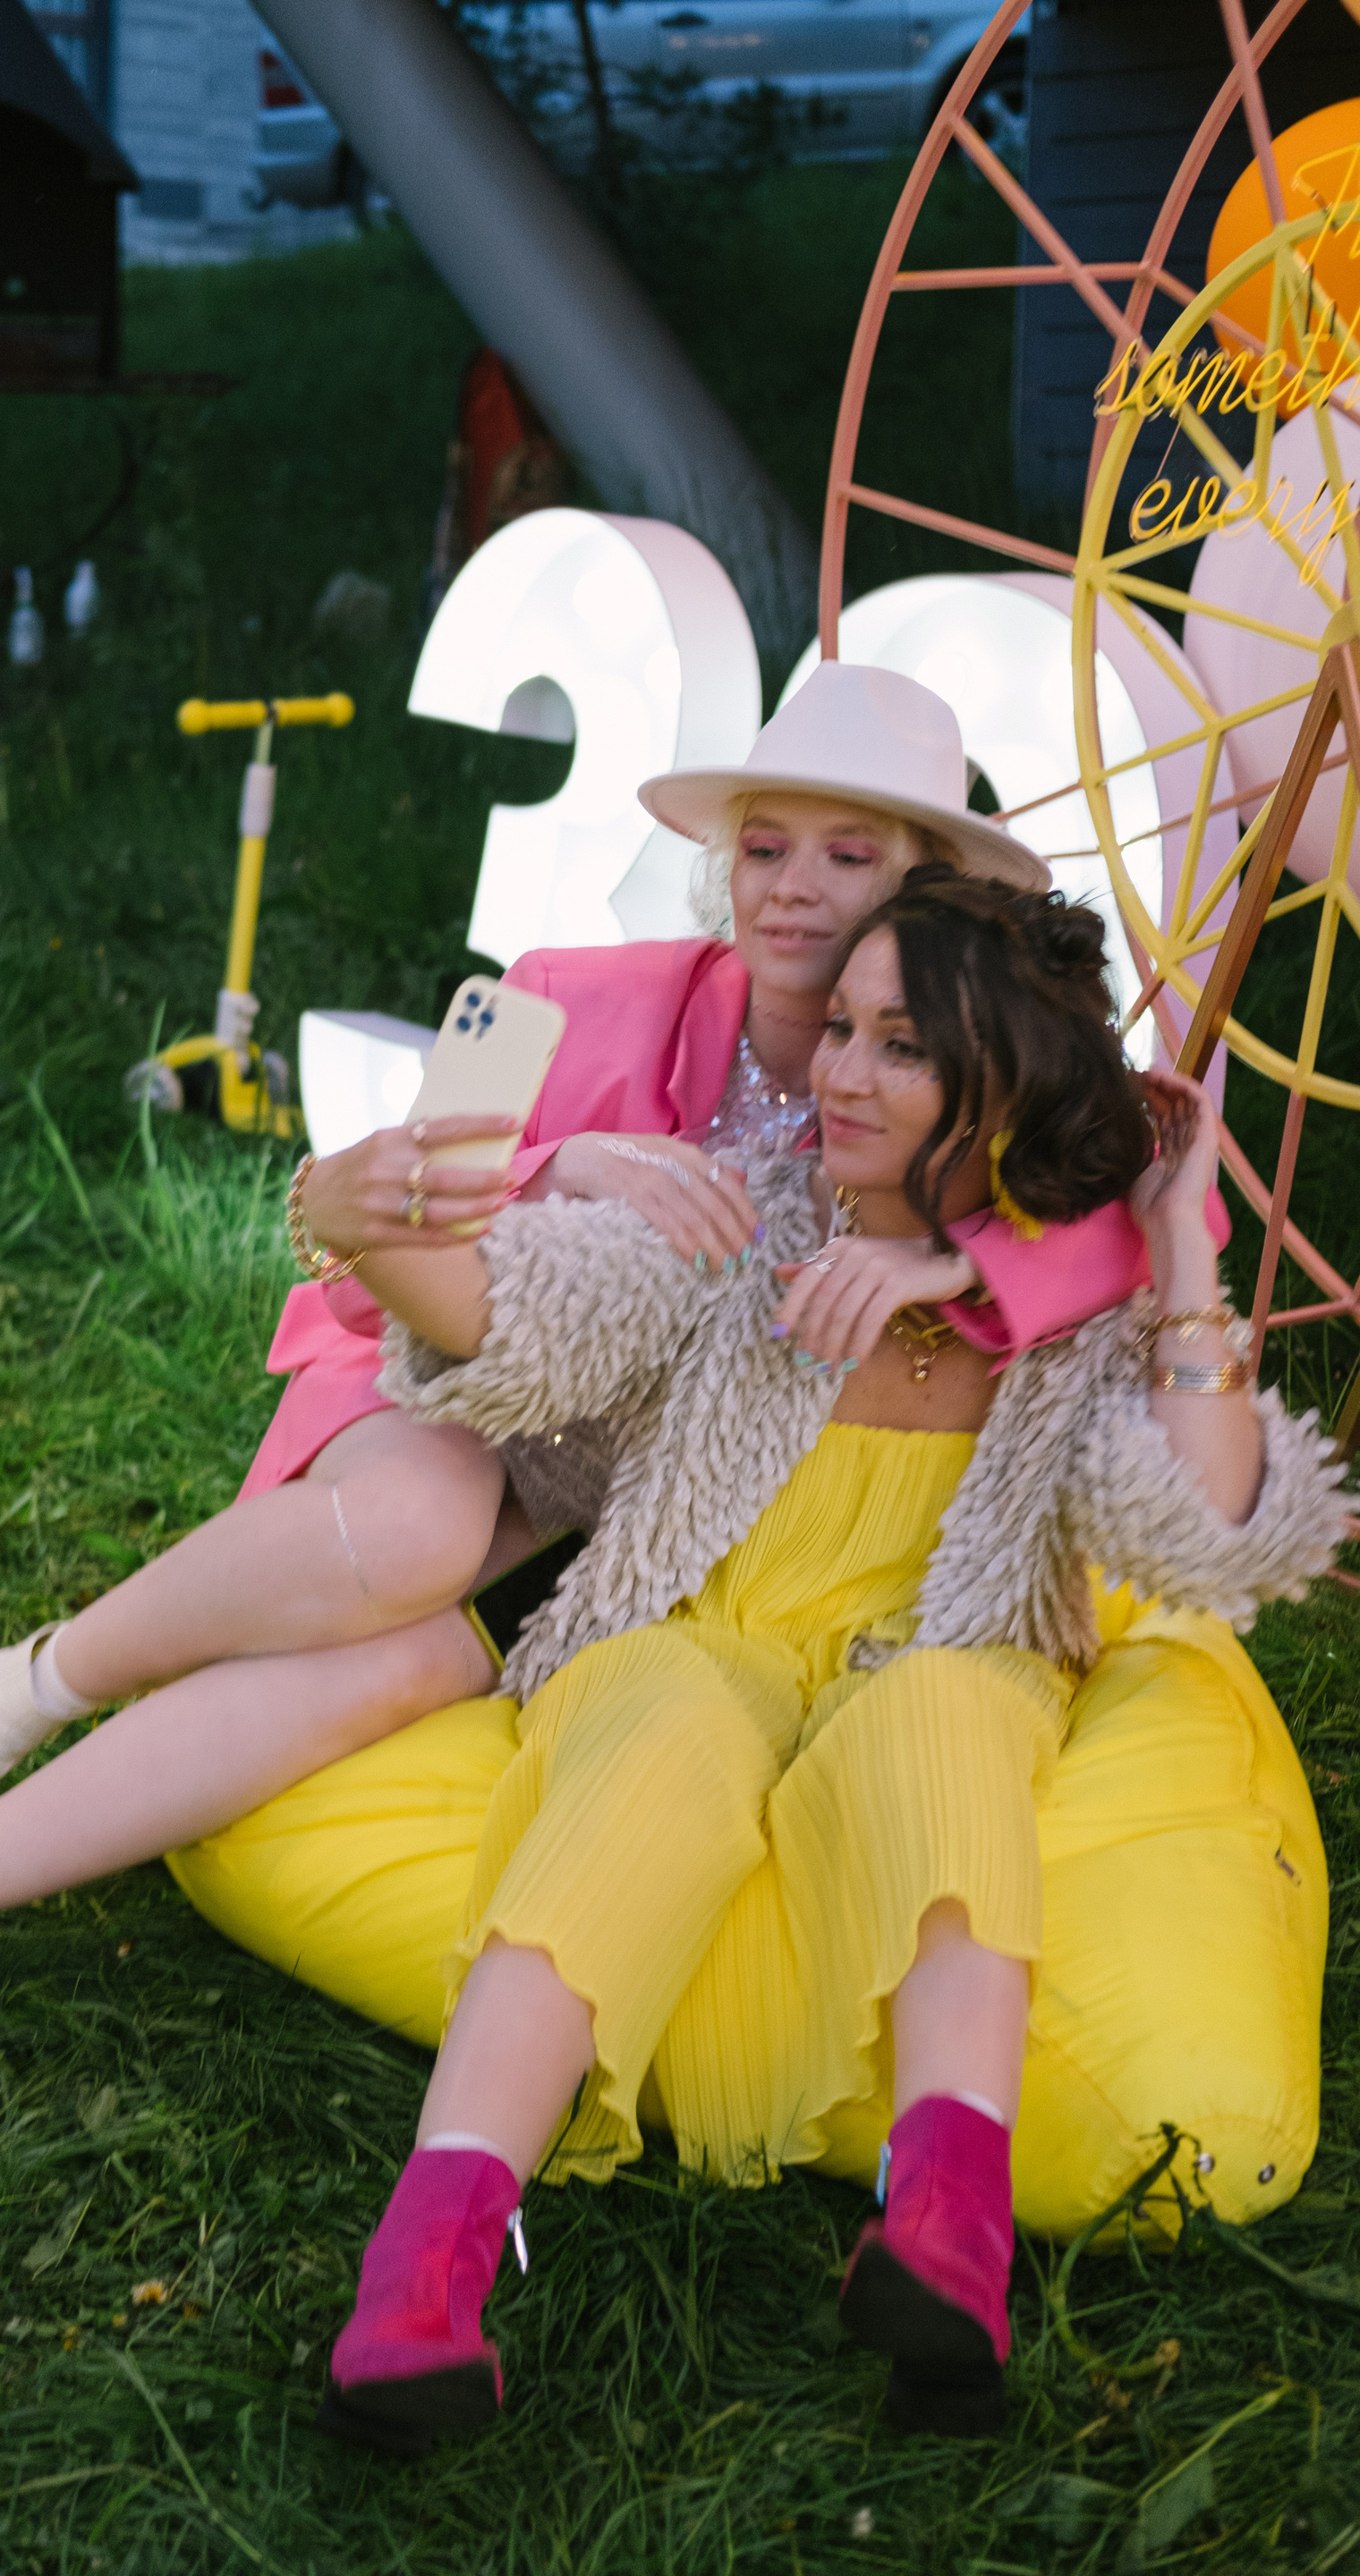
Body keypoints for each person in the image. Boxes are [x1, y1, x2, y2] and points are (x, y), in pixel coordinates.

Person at [310, 867, 1345, 2450]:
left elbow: (1208, 1532)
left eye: (901, 1046)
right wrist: (369, 1226)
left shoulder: (1078, 1316)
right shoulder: (750, 1222)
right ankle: (423, 2272)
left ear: (1004, 1082)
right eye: (843, 1029)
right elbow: (518, 1323)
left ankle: (944, 2237)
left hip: (945, 1649)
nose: (841, 1072)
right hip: (707, 1630)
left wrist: (1180, 1249)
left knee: (949, 1724)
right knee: (652, 1733)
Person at [0, 665, 1147, 1893]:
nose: (793, 890)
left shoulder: (959, 1070)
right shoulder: (558, 993)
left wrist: (948, 1252)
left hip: (633, 1486)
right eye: (762, 849)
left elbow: (1123, 1207)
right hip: (450, 1384)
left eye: (848, 857)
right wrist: (557, 1166)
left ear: (926, 890)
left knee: (408, 1656)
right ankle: (19, 1696)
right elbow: (366, 1280)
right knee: (424, 1527)